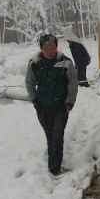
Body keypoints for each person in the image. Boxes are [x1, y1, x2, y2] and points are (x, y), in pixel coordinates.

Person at [25, 34, 78, 175]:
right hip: (42, 106)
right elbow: (29, 83)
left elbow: (73, 83)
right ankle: (53, 163)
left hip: (61, 105)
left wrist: (70, 101)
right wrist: (34, 100)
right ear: (41, 48)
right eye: (47, 48)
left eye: (53, 48)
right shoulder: (34, 63)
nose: (50, 51)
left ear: (57, 47)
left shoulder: (66, 62)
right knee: (50, 135)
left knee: (57, 134)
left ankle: (54, 168)